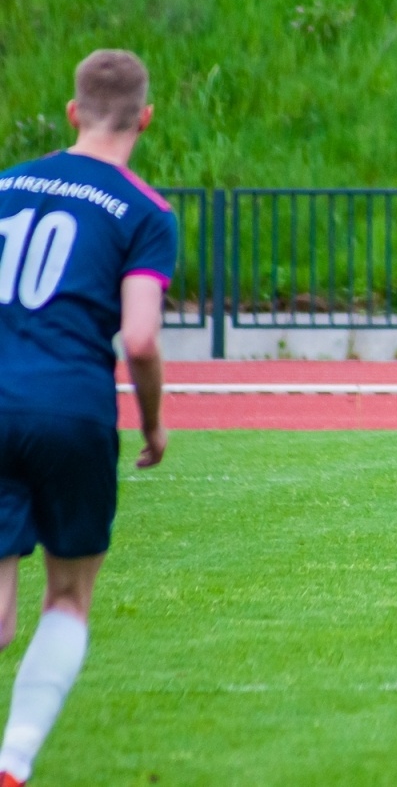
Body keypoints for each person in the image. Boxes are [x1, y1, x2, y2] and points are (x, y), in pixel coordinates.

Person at [0, 50, 174, 787]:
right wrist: (154, 424)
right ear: (145, 118)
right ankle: (12, 762)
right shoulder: (144, 209)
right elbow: (138, 337)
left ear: (71, 112)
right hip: (72, 406)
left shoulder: (5, 185)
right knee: (68, 595)